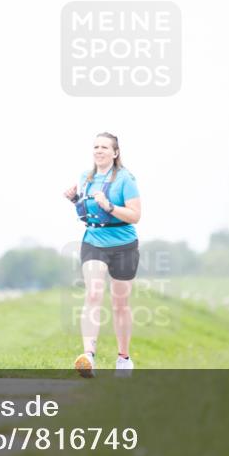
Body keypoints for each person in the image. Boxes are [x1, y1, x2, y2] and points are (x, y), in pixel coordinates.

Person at [63, 132, 141, 377]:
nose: (99, 151)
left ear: (115, 152)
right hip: (94, 241)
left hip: (123, 244)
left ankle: (124, 359)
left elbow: (135, 215)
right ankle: (89, 357)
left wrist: (110, 205)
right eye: (96, 146)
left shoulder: (126, 179)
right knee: (94, 292)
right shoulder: (85, 178)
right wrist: (75, 199)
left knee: (120, 304)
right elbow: (86, 215)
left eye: (105, 147)